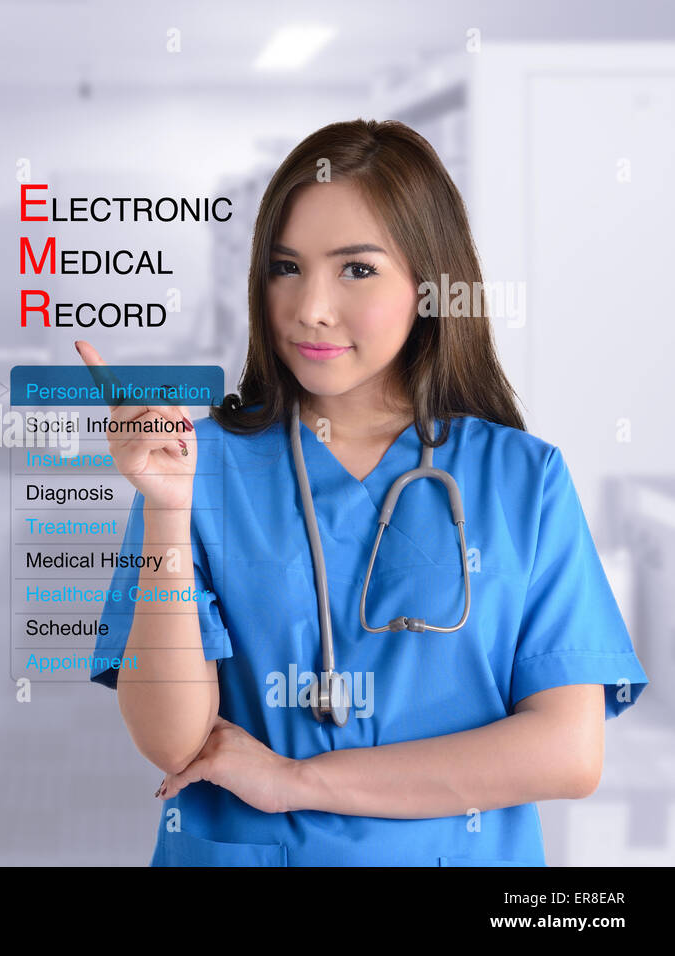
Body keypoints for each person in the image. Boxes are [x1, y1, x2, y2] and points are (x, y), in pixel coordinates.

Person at [79, 118, 648, 867]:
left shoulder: (522, 480)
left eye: (356, 270)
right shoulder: (198, 465)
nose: (311, 307)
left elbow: (568, 752)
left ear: (431, 283)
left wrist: (299, 780)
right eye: (286, 267)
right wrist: (166, 509)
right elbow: (173, 740)